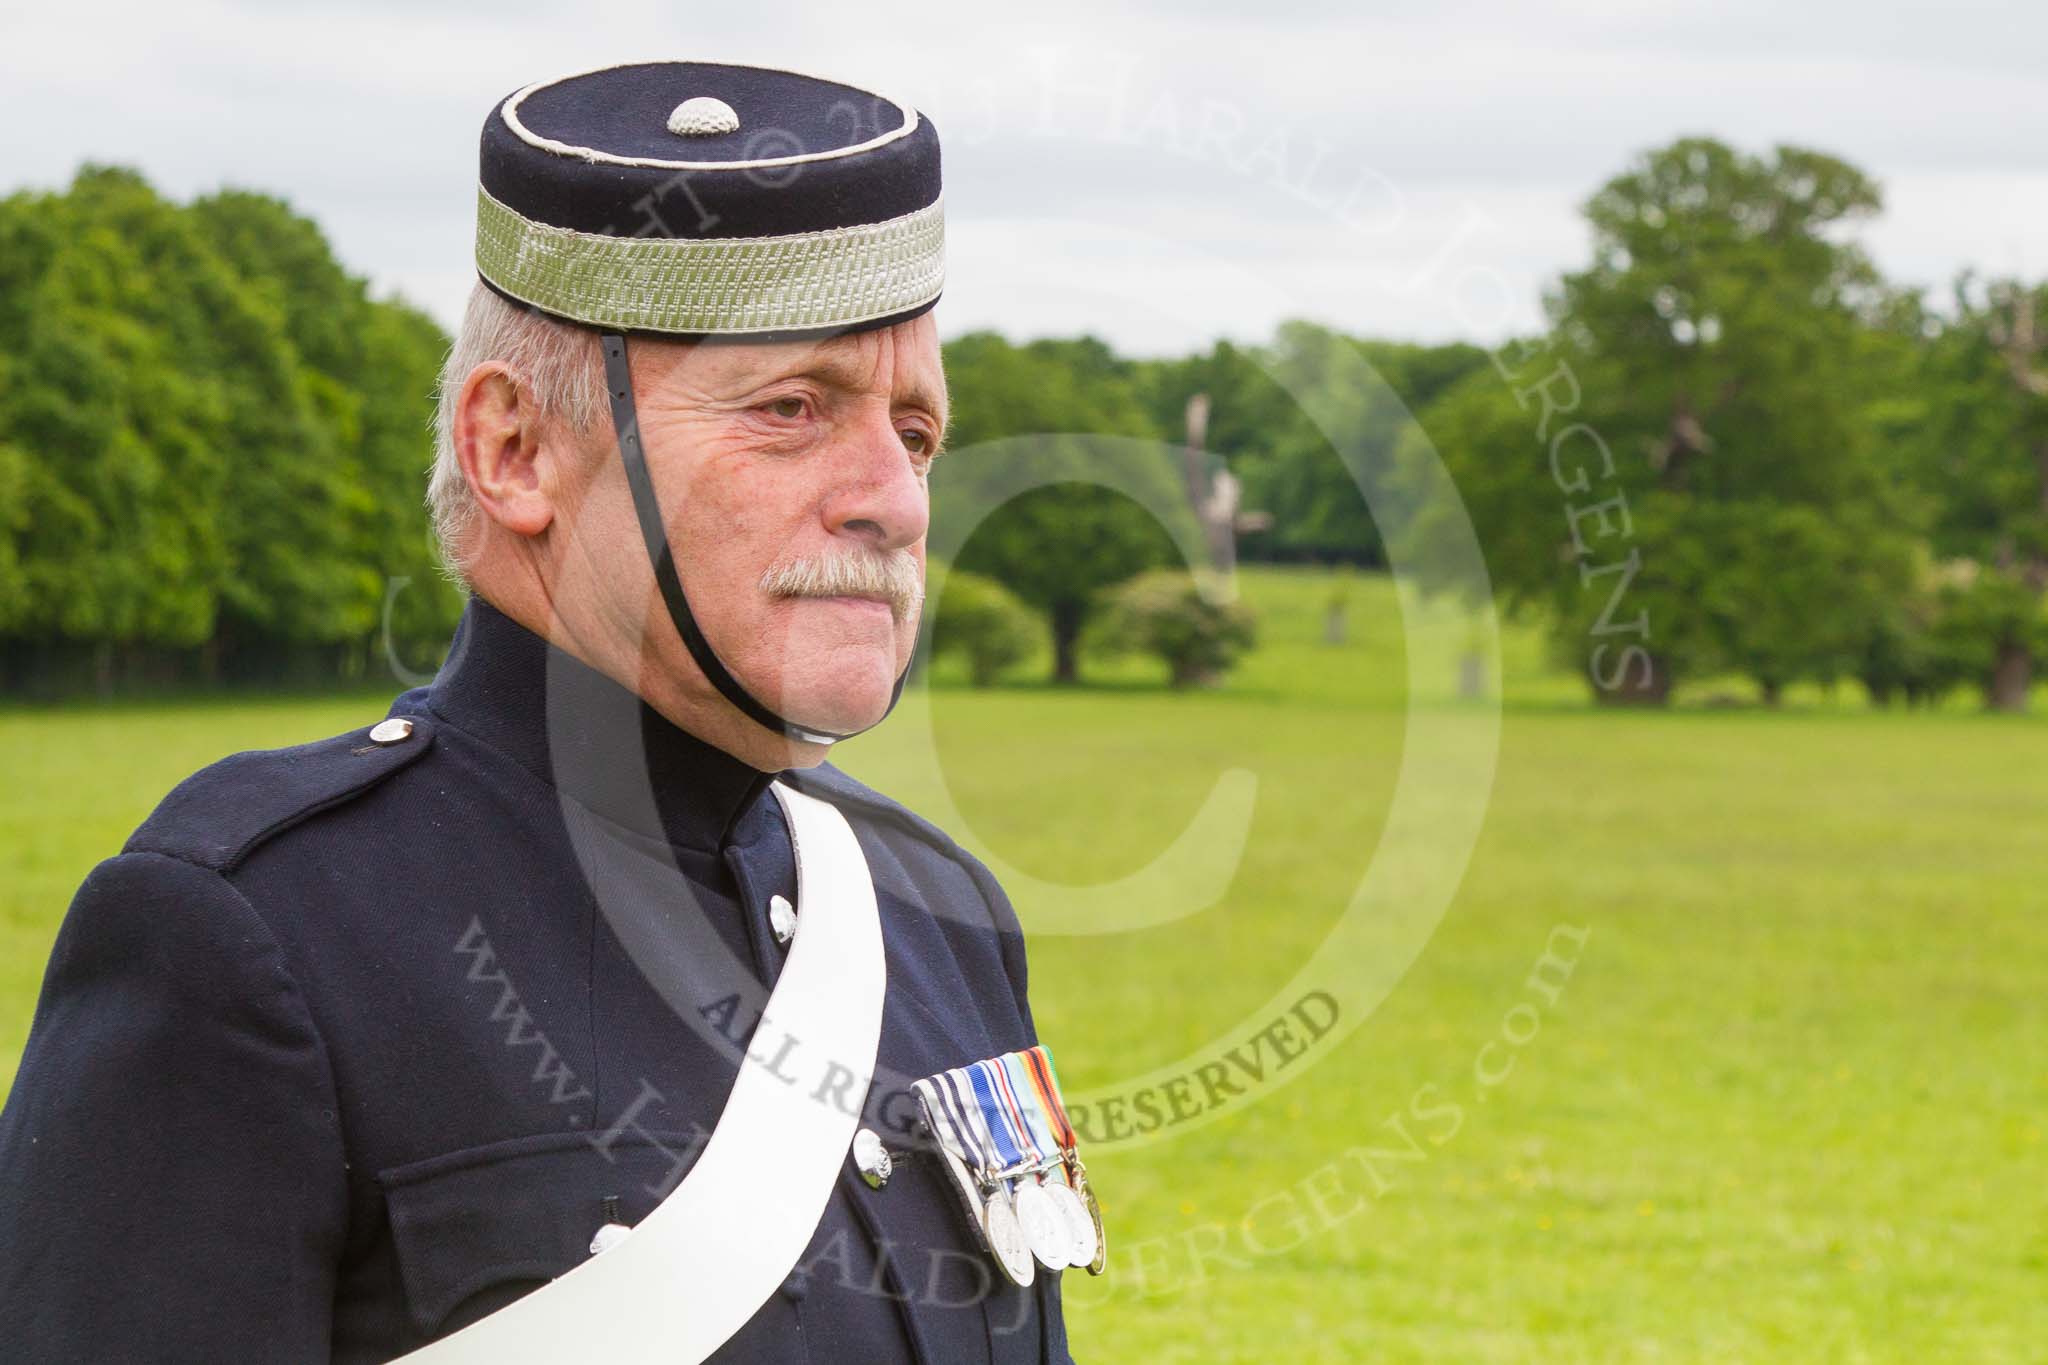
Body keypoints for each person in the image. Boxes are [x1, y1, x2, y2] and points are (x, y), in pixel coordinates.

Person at [0, 60, 1078, 1364]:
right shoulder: (254, 929)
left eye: (914, 432)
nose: (896, 502)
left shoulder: (938, 912)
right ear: (514, 449)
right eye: (794, 409)